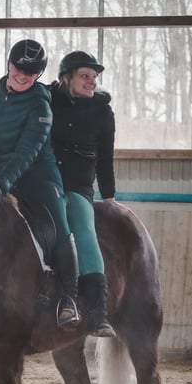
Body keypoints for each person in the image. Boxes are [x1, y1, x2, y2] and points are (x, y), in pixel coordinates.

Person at [0, 39, 81, 330]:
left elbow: (26, 152)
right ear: (9, 64)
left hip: (36, 176)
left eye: (31, 73)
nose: (23, 76)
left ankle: (69, 299)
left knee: (59, 223)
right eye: (19, 68)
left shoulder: (40, 104)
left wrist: (2, 183)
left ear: (38, 74)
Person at [48, 50, 117, 337]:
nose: (92, 82)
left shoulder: (102, 111)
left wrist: (109, 195)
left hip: (78, 185)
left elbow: (105, 158)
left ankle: (97, 314)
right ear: (67, 78)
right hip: (46, 179)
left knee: (84, 229)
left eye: (94, 77)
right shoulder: (47, 100)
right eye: (85, 76)